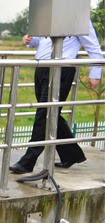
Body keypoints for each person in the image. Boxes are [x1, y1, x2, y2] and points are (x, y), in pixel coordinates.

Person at [8, 20, 102, 174]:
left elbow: (93, 46)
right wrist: (31, 40)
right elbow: (43, 40)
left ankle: (27, 161)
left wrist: (96, 73)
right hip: (41, 67)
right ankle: (72, 154)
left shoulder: (80, 18)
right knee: (51, 113)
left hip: (61, 69)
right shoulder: (52, 14)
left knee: (44, 113)